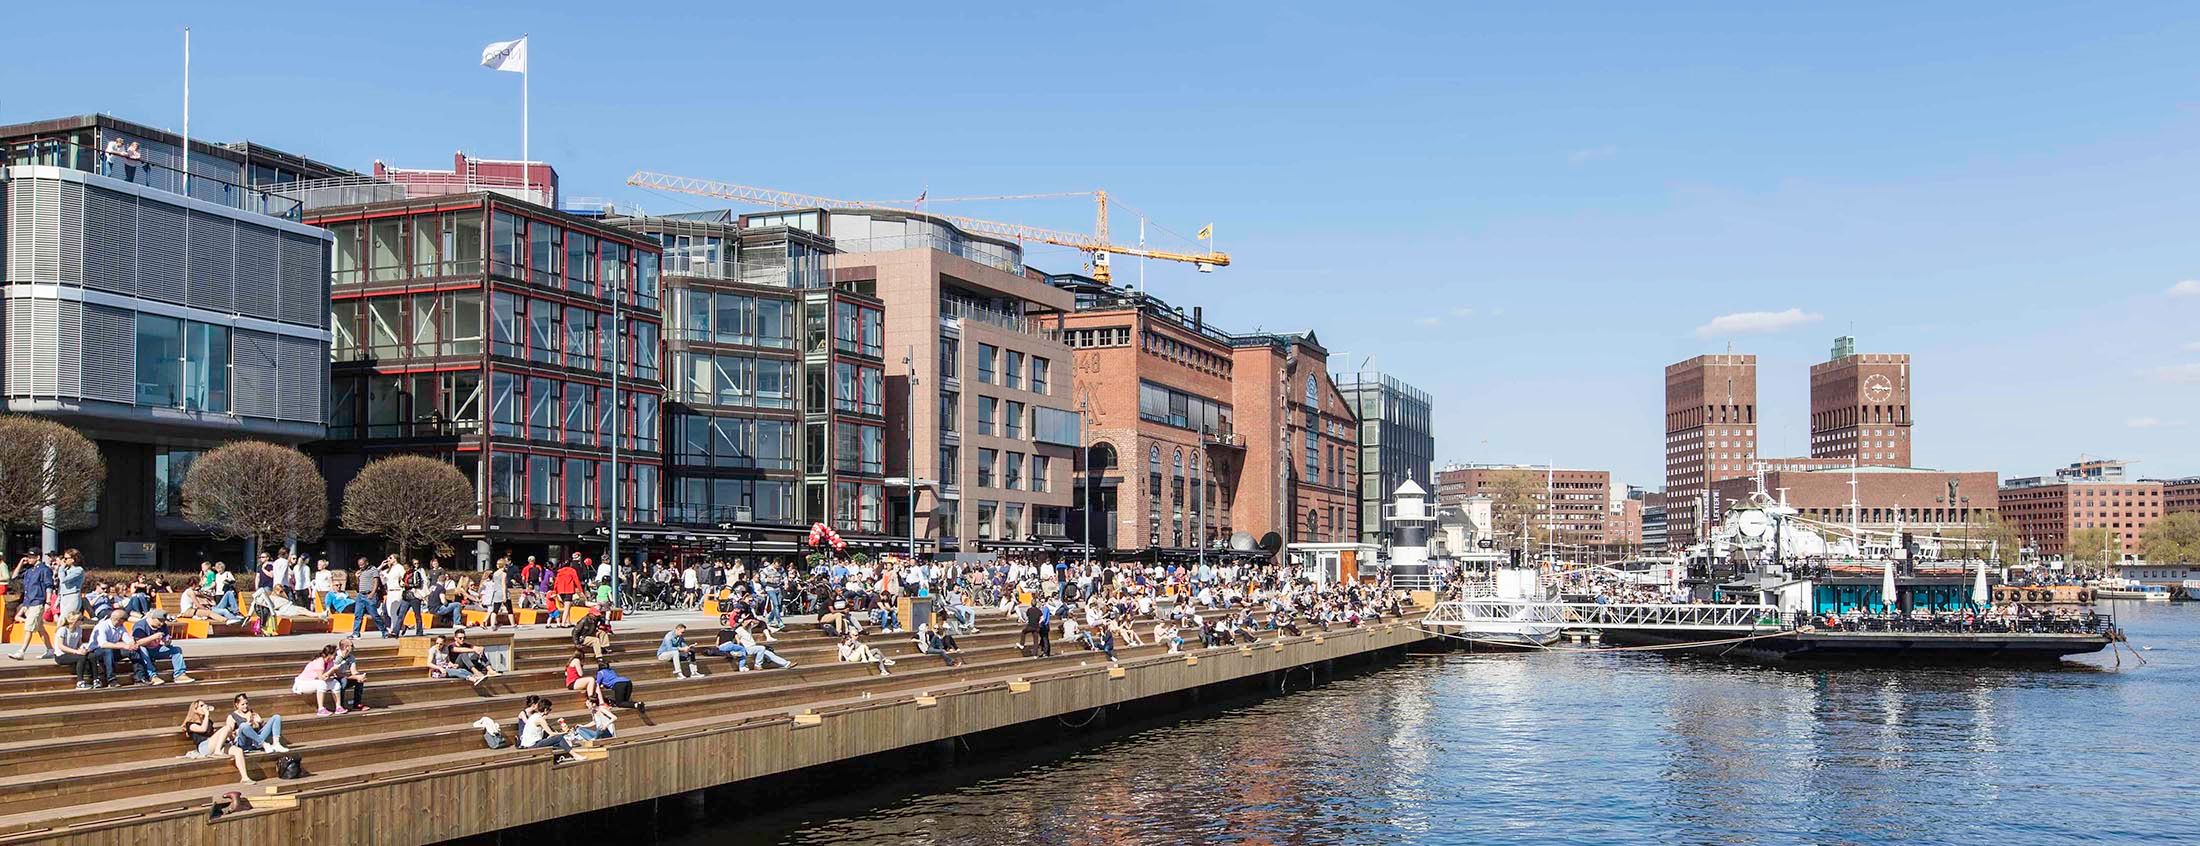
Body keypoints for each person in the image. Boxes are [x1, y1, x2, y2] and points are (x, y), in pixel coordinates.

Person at [182, 700, 254, 783]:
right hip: (204, 747)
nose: (204, 707)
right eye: (201, 706)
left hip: (215, 745)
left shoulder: (209, 722)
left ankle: (245, 778)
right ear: (195, 710)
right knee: (227, 727)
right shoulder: (190, 724)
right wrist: (207, 714)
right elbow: (202, 729)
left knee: (238, 751)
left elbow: (213, 735)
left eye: (205, 705)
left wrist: (228, 736)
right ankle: (217, 751)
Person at [9, 553, 56, 661]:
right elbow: (14, 577)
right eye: (28, 557)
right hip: (29, 602)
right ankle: (50, 650)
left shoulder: (44, 570)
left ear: (38, 557)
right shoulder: (29, 571)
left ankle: (21, 651)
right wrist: (21, 563)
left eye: (31, 557)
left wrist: (48, 601)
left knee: (29, 627)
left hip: (38, 601)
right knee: (40, 628)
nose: (29, 559)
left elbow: (49, 585)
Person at [130, 610, 195, 685]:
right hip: (144, 652)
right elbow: (137, 643)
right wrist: (153, 637)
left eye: (163, 621)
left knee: (176, 650)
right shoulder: (140, 625)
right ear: (153, 618)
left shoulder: (163, 626)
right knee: (142, 648)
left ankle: (179, 675)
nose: (162, 623)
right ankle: (152, 676)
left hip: (157, 649)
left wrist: (167, 642)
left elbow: (166, 639)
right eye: (160, 621)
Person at [293, 644, 345, 716]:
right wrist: (332, 670)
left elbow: (334, 675)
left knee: (335, 683)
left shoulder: (331, 662)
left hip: (315, 682)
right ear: (329, 654)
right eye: (334, 654)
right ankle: (321, 709)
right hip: (304, 683)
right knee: (321, 684)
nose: (336, 656)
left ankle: (338, 707)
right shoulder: (319, 661)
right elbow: (321, 678)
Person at [53, 619, 101, 689]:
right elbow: (61, 646)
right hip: (61, 655)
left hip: (74, 653)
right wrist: (76, 652)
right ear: (74, 621)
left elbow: (79, 643)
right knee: (81, 658)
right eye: (81, 619)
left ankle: (96, 680)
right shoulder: (63, 630)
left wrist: (83, 649)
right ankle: (80, 682)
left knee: (92, 656)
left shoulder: (79, 629)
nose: (82, 621)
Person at [331, 637, 370, 712]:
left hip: (344, 676)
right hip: (334, 679)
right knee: (343, 681)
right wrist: (353, 677)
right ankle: (340, 705)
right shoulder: (336, 656)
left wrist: (359, 676)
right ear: (346, 647)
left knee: (359, 681)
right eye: (351, 645)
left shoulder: (351, 657)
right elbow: (337, 674)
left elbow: (354, 671)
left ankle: (357, 704)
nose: (353, 647)